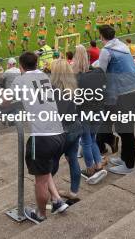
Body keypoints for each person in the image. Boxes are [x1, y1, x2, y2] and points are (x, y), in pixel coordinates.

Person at [11, 52, 68, 223]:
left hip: (42, 138)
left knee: (40, 181)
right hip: (59, 135)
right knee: (45, 171)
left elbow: (6, 100)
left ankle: (41, 214)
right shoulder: (44, 75)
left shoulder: (20, 80)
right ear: (36, 64)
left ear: (21, 66)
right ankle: (57, 200)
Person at [96, 25, 135, 175]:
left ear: (101, 37)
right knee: (124, 127)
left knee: (125, 129)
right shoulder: (122, 45)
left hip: (126, 93)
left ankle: (128, 164)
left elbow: (101, 73)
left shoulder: (106, 50)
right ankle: (125, 158)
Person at [73, 44, 108, 184]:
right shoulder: (99, 72)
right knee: (92, 139)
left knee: (86, 141)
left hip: (85, 113)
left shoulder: (77, 78)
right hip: (98, 110)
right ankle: (98, 164)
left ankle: (90, 168)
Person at [50, 59, 83, 202]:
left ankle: (51, 194)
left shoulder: (53, 89)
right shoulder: (73, 86)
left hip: (62, 131)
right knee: (73, 159)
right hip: (75, 127)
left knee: (52, 162)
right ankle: (73, 192)